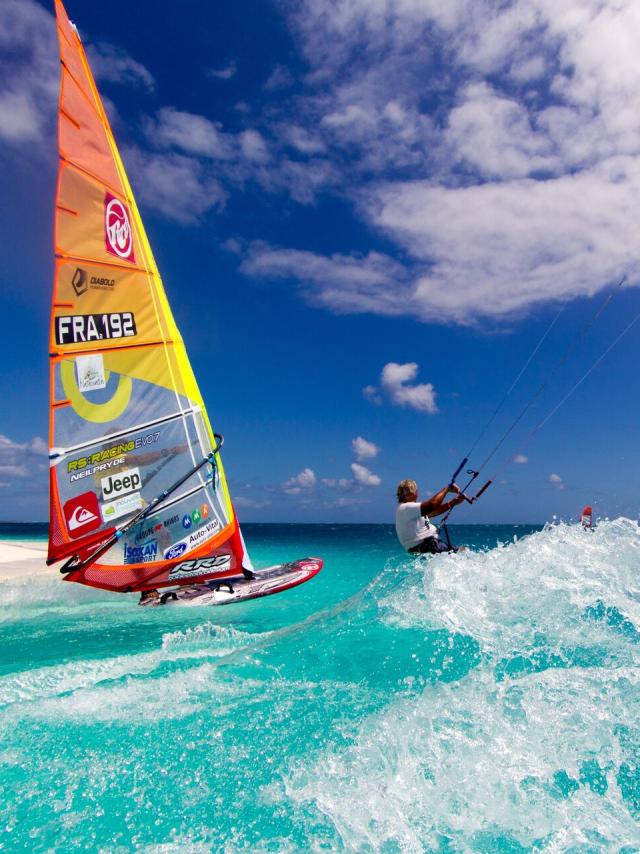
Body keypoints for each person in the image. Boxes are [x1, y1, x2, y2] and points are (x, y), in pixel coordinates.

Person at [395, 479, 469, 554]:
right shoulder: (405, 507)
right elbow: (431, 505)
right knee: (464, 551)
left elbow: (433, 512)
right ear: (401, 495)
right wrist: (447, 489)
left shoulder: (410, 510)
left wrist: (452, 503)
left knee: (462, 551)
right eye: (407, 493)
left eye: (411, 492)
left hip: (426, 547)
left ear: (416, 493)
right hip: (428, 546)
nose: (410, 495)